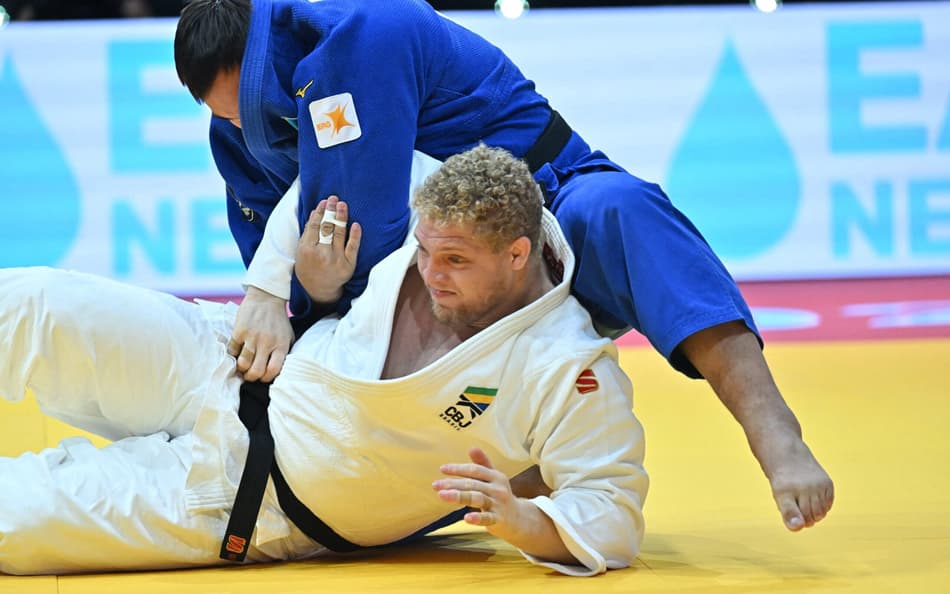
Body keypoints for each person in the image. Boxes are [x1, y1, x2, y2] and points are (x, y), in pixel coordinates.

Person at [172, 0, 833, 531]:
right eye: (222, 115)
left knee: (621, 208)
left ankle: (774, 431)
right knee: (361, 338)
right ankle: (513, 475)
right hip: (428, 274)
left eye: (250, 105)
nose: (242, 125)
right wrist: (295, 296)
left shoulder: (368, 32)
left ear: (268, 58)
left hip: (547, 205)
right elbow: (293, 283)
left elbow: (366, 219)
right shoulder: (233, 134)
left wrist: (300, 284)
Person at [0, 146, 646, 576]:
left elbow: (613, 508)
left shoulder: (567, 366)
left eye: (454, 262)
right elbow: (330, 176)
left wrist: (522, 519)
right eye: (424, 251)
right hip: (228, 357)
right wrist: (269, 286)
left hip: (244, 499)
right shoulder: (421, 181)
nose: (431, 273)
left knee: (16, 521)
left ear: (517, 253)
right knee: (32, 303)